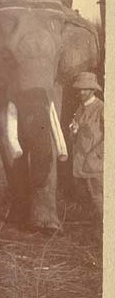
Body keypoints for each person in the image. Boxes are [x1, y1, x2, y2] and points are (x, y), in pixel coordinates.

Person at [68, 72, 104, 222]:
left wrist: (96, 154)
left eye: (85, 89)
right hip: (80, 161)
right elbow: (76, 137)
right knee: (84, 199)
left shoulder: (101, 108)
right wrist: (73, 131)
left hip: (96, 163)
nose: (81, 92)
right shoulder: (79, 109)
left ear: (93, 90)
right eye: (79, 89)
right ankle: (89, 231)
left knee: (98, 198)